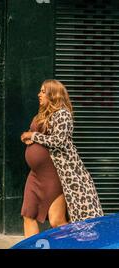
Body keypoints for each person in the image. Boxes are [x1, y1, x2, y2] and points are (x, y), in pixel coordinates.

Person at [20, 79, 103, 238]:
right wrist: (27, 138)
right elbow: (37, 136)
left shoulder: (62, 114)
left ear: (53, 94)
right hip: (35, 175)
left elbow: (59, 140)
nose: (39, 94)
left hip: (53, 173)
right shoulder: (42, 114)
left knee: (56, 220)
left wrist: (33, 136)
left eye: (43, 91)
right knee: (28, 214)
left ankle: (75, 244)